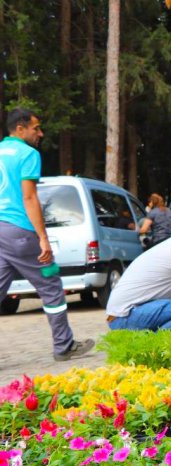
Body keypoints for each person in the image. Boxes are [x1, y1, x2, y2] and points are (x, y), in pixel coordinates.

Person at [0, 108, 95, 361]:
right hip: (20, 231)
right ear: (20, 129)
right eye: (35, 128)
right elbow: (29, 197)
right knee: (51, 283)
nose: (40, 133)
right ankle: (64, 346)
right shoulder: (27, 154)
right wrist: (43, 237)